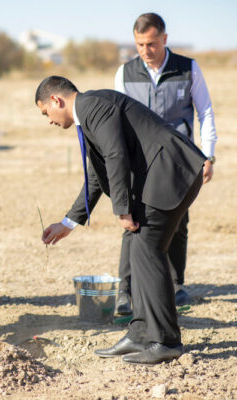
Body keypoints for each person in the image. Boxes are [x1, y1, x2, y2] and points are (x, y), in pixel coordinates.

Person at [36, 76, 206, 365]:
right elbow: (96, 175)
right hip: (165, 176)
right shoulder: (89, 113)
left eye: (45, 113)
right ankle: (140, 332)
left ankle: (166, 341)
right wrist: (68, 223)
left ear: (56, 100)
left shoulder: (93, 106)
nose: (48, 120)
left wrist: (122, 208)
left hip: (170, 173)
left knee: (148, 250)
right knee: (139, 251)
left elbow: (116, 154)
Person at [113, 13, 218, 314]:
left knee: (178, 220)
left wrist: (208, 155)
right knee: (132, 221)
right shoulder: (125, 72)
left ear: (164, 39)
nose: (145, 50)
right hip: (140, 161)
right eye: (139, 44)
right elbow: (118, 120)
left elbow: (206, 111)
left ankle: (177, 285)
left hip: (180, 161)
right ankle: (125, 291)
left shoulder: (188, 68)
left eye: (151, 43)